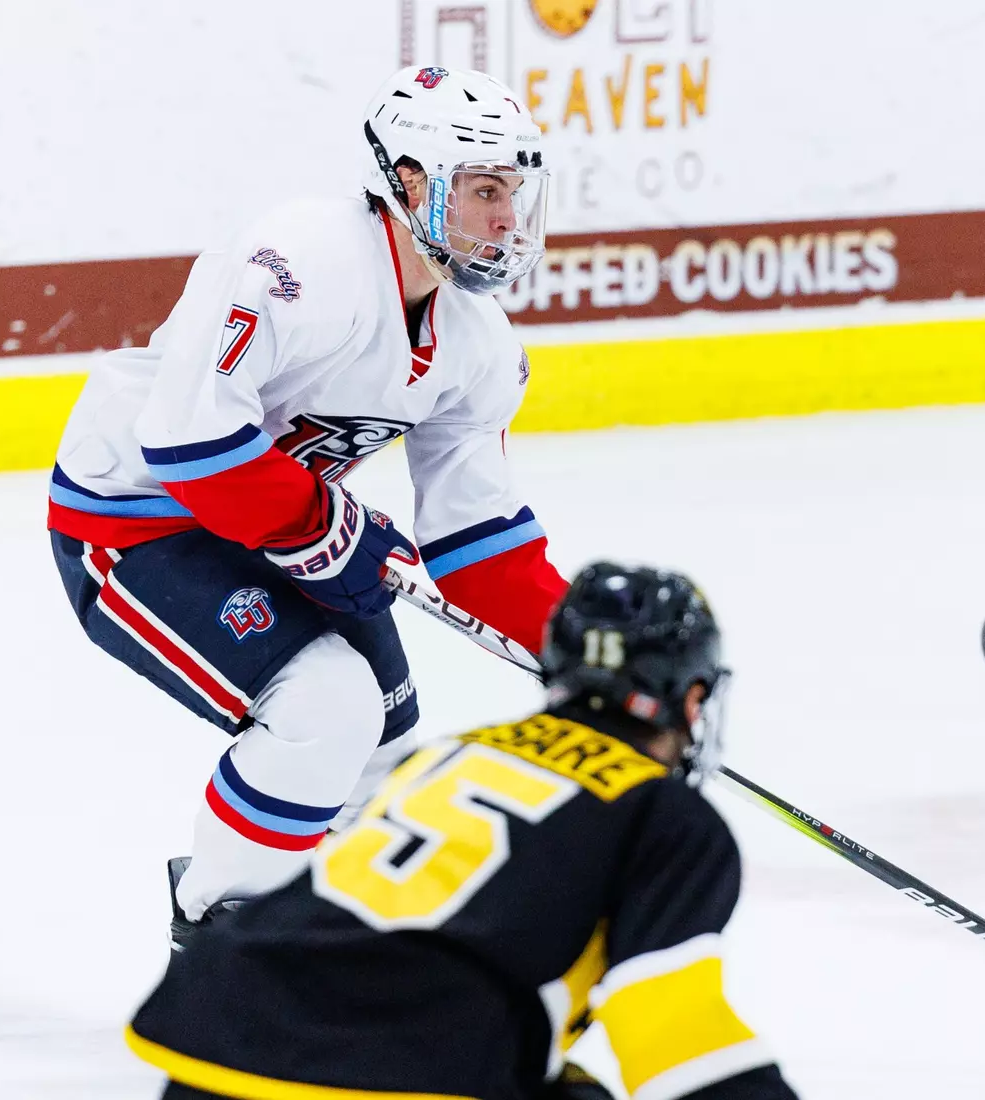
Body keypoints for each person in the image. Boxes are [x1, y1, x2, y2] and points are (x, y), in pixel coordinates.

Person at [45, 64, 568, 930]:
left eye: (513, 192)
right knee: (327, 711)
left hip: (273, 529)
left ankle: (337, 955)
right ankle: (220, 952)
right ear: (408, 183)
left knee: (391, 752)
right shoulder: (299, 259)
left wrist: (581, 643)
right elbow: (188, 441)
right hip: (134, 523)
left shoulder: (476, 342)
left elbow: (480, 535)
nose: (508, 219)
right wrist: (325, 525)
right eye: (483, 191)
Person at [125, 562, 801, 1100]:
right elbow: (671, 1036)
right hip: (400, 1068)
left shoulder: (450, 757)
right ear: (691, 698)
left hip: (218, 1033)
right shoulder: (666, 817)